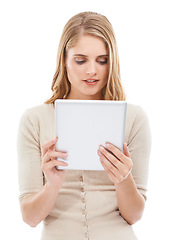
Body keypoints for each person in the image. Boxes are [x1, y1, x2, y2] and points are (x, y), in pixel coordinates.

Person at [17, 11, 151, 240]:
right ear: (64, 61)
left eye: (102, 60)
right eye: (80, 60)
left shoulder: (134, 118)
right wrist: (52, 185)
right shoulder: (34, 120)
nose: (92, 71)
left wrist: (123, 178)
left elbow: (134, 215)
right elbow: (30, 218)